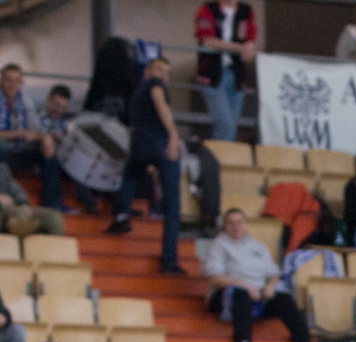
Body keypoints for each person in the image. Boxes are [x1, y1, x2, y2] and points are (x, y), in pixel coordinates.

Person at [106, 55, 182, 272]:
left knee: (129, 174)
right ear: (147, 72)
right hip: (161, 144)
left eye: (166, 72)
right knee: (172, 204)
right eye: (159, 70)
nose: (163, 76)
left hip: (139, 145)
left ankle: (121, 216)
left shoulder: (135, 96)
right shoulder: (155, 85)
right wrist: (174, 136)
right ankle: (169, 260)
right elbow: (161, 105)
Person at [202, 208, 313, 342]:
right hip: (228, 294)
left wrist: (270, 286)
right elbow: (216, 278)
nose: (236, 226)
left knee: (285, 299)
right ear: (225, 226)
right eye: (231, 223)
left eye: (239, 222)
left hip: (258, 294)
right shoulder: (218, 245)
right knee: (241, 294)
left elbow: (273, 273)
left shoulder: (259, 247)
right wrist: (245, 286)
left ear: (246, 225)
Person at [0, 66, 63, 212]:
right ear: (1, 81)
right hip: (2, 152)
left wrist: (45, 137)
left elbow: (36, 129)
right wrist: (20, 134)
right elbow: (25, 133)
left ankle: (51, 206)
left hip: (18, 151)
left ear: (21, 82)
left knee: (49, 152)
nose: (12, 84)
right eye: (8, 80)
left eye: (16, 81)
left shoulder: (25, 100)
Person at [193, 0, 256, 143]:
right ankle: (219, 162)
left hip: (237, 76)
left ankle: (221, 160)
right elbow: (208, 41)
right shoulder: (207, 9)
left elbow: (251, 39)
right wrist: (240, 48)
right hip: (212, 75)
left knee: (231, 127)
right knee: (225, 125)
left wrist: (249, 46)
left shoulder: (246, 11)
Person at [38, 85, 91, 214]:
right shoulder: (37, 119)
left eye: (63, 107)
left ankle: (89, 202)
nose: (58, 110)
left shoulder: (68, 125)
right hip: (42, 157)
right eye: (56, 105)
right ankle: (55, 204)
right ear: (48, 100)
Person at [0, 161, 63, 236]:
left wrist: (23, 203)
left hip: (13, 210)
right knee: (16, 214)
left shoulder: (2, 169)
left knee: (54, 218)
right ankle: (19, 226)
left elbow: (18, 192)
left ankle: (19, 225)